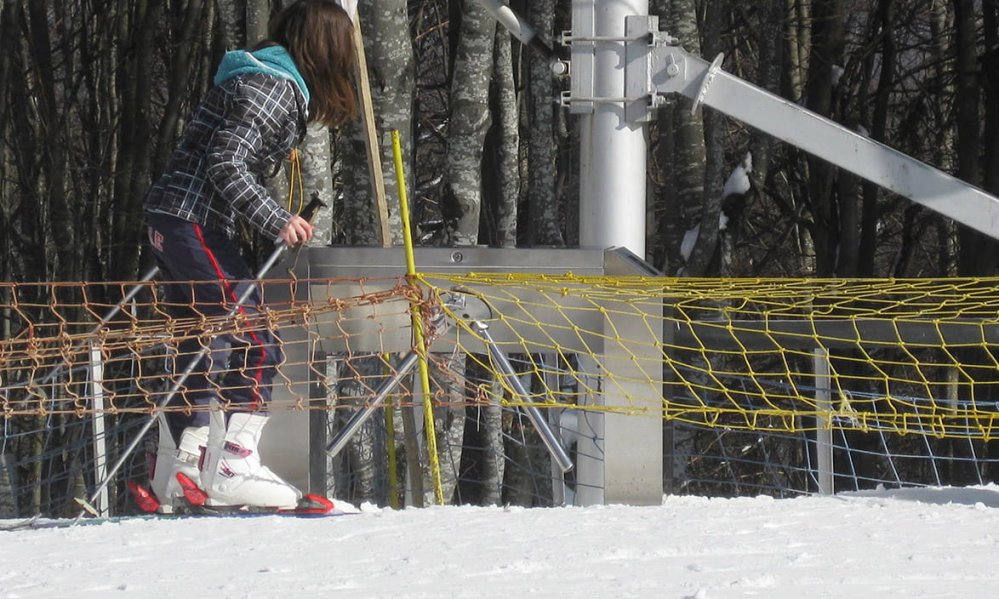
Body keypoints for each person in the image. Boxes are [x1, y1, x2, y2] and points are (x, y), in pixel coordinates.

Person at [144, 0, 357, 511]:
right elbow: (226, 160)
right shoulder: (273, 87)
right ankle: (233, 465)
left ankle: (184, 467)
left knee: (199, 343)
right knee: (258, 341)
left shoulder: (257, 79)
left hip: (171, 219)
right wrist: (277, 219)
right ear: (326, 49)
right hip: (192, 222)